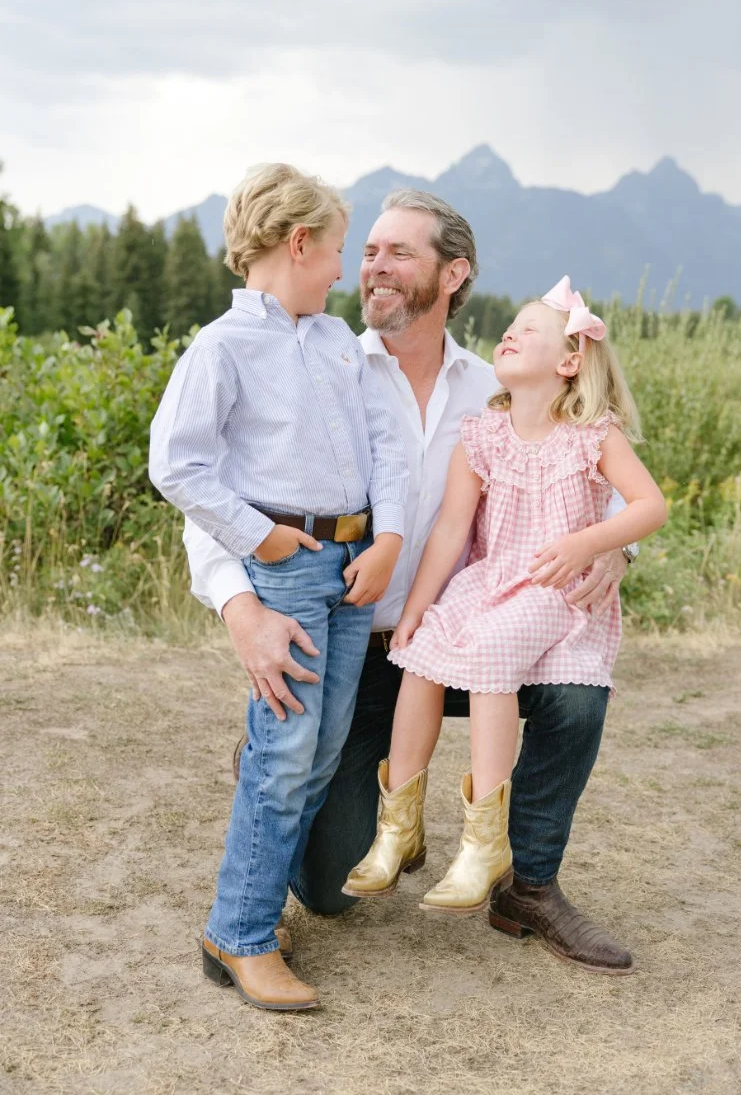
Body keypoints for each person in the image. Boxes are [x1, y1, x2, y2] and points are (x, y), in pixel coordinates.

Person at [185, 190, 642, 977]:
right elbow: (217, 491)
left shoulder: (494, 385)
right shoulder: (319, 360)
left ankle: (527, 884)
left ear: (452, 273)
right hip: (358, 650)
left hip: (478, 634)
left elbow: (595, 489)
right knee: (331, 889)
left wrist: (614, 554)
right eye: (365, 251)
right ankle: (308, 784)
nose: (372, 266)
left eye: (398, 252)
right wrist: (240, 607)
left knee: (575, 690)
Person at [149, 163, 408, 1012]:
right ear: (298, 244)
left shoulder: (337, 342)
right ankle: (243, 930)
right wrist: (257, 535)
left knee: (323, 750)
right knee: (288, 754)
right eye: (336, 250)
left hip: (356, 564)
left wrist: (389, 536)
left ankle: (259, 894)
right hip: (288, 569)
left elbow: (386, 445)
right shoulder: (222, 349)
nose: (343, 270)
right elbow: (176, 461)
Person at [342, 277, 667, 921]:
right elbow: (450, 534)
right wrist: (415, 612)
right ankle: (397, 826)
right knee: (421, 653)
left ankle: (484, 843)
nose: (511, 334)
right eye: (511, 328)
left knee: (490, 652)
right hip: (490, 581)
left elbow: (651, 505)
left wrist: (594, 543)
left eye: (530, 332)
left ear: (570, 362)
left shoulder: (592, 436)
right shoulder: (483, 434)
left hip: (553, 587)